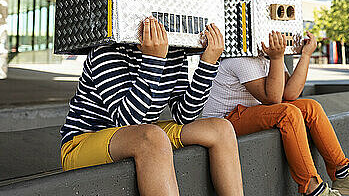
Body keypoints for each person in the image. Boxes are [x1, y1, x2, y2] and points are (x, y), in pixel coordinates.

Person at [59, 17, 244, 196]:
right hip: (82, 142)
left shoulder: (175, 51)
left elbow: (185, 115)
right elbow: (127, 121)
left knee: (221, 128)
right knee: (152, 137)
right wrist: (154, 61)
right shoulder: (106, 49)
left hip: (141, 133)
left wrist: (208, 63)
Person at [202, 31, 349, 196]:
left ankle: (342, 173)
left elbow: (290, 93)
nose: (279, 37)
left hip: (249, 113)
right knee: (288, 113)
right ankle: (312, 189)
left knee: (311, 106)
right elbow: (272, 99)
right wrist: (278, 58)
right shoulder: (242, 59)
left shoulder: (266, 58)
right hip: (224, 121)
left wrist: (306, 54)